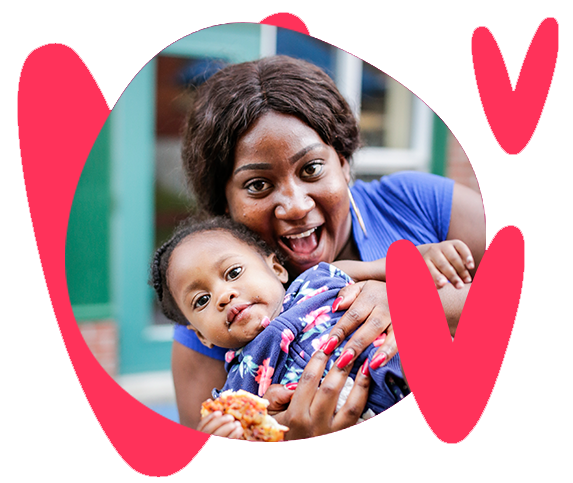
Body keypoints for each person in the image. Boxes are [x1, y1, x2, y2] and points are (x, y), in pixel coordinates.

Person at [172, 55, 486, 440]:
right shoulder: (216, 322)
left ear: (343, 162)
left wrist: (415, 304)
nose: (297, 205)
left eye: (311, 169)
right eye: (257, 185)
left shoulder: (419, 202)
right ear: (225, 205)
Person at [153, 216, 476, 439]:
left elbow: (392, 269)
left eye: (234, 272)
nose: (224, 295)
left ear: (277, 268)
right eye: (201, 300)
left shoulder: (320, 278)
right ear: (201, 337)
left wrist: (426, 256)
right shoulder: (237, 392)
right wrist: (219, 437)